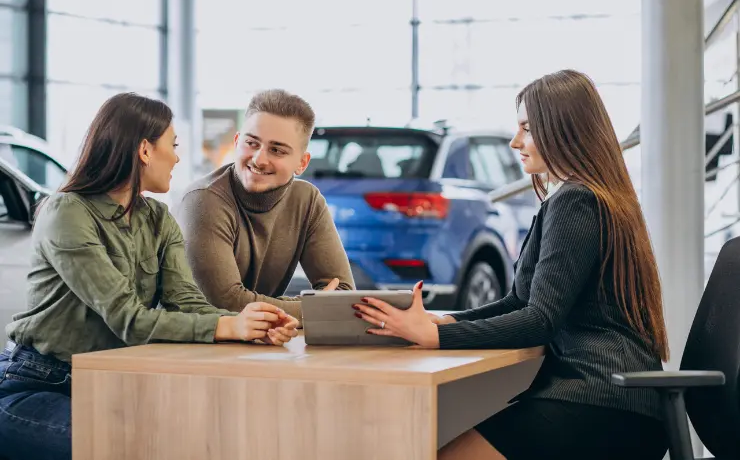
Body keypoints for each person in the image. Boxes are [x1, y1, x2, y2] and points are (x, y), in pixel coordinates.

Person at [355, 70, 670, 460]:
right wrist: (448, 322)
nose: (515, 141)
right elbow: (520, 301)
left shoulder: (577, 201)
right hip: (617, 398)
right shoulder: (583, 196)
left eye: (527, 128)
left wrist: (434, 338)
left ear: (563, 130)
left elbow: (540, 320)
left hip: (603, 399)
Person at [0, 93, 299, 460]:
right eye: (171, 145)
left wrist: (249, 324)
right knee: (130, 446)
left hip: (117, 381)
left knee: (209, 435)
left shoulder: (157, 218)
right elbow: (128, 320)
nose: (176, 157)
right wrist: (227, 328)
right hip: (40, 383)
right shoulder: (67, 212)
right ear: (145, 150)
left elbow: (187, 302)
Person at [175, 89, 354, 323]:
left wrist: (309, 308)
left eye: (276, 150)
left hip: (255, 341)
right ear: (237, 142)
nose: (259, 159)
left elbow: (343, 296)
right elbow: (226, 303)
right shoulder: (203, 200)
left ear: (302, 163)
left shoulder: (307, 200)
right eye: (252, 143)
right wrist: (313, 308)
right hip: (186, 348)